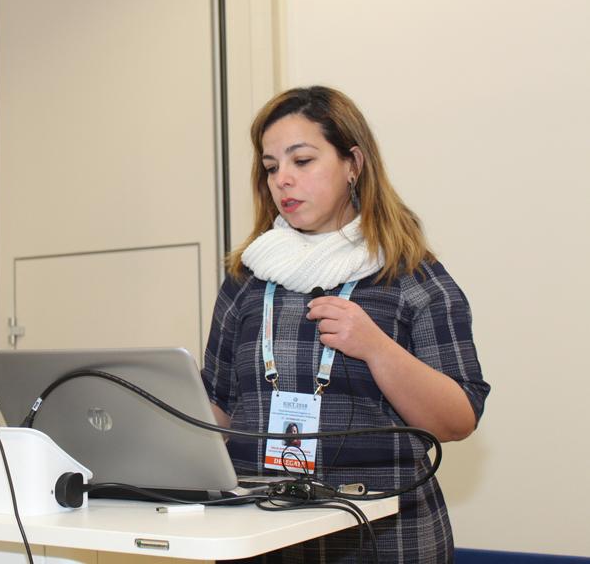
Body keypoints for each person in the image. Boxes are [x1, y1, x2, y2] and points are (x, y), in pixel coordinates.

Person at [201, 86, 490, 563]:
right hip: (263, 531)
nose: (282, 180)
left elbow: (459, 420)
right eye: (271, 167)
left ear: (353, 164)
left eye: (302, 161)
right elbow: (217, 410)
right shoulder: (247, 276)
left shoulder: (410, 274)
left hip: (385, 537)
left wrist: (377, 349)